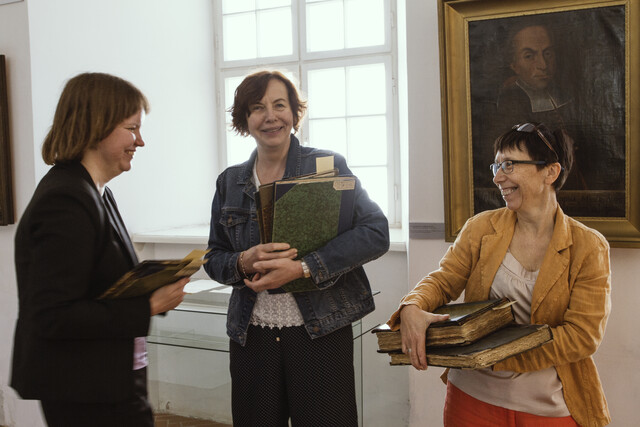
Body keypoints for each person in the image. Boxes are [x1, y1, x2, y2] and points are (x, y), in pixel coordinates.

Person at [388, 122, 611, 427]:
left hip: (548, 408)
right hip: (471, 401)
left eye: (509, 164)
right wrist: (412, 305)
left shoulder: (588, 246)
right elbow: (443, 279)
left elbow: (582, 336)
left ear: (550, 172)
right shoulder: (480, 228)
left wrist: (492, 355)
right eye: (497, 165)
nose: (497, 177)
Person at [204, 70, 389, 427]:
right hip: (251, 334)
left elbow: (375, 232)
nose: (270, 117)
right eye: (258, 108)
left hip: (320, 330)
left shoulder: (327, 166)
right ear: (244, 118)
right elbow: (214, 257)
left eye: (279, 105)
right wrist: (242, 261)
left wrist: (304, 268)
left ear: (293, 112)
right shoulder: (229, 181)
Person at [11, 72, 189, 427]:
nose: (140, 141)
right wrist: (147, 306)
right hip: (83, 389)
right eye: (132, 128)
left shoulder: (95, 191)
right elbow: (53, 314)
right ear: (97, 126)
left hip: (107, 381)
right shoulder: (65, 199)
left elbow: (97, 286)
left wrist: (149, 284)